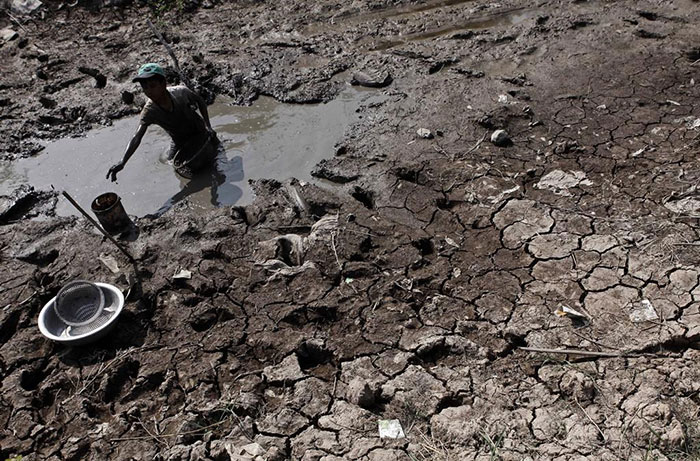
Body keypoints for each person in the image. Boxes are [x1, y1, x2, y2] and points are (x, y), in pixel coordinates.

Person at [107, 63, 218, 181]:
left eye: (153, 85)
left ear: (163, 83)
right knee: (173, 163)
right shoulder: (149, 111)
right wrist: (123, 162)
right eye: (145, 87)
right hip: (179, 141)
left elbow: (200, 101)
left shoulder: (180, 93)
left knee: (214, 155)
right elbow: (137, 137)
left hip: (199, 132)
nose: (149, 91)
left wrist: (208, 126)